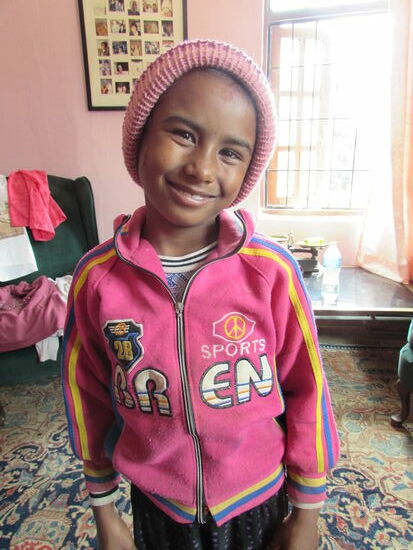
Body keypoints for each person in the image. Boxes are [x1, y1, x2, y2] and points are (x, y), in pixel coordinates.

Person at [62, 39, 340, 550]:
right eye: (184, 135)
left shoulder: (271, 273)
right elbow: (87, 398)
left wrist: (306, 511)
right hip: (159, 504)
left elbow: (309, 390)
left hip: (256, 496)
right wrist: (105, 510)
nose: (202, 168)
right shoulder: (97, 280)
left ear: (247, 169)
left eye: (230, 152)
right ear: (140, 139)